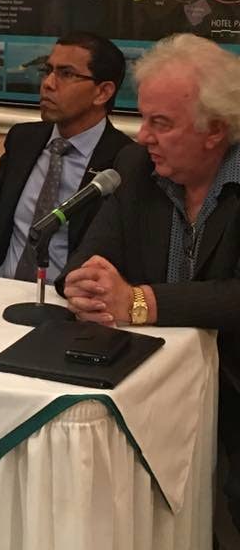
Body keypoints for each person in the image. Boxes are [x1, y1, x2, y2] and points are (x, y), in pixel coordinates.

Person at [57, 33, 240, 533]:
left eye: (161, 123)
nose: (142, 137)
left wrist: (139, 301)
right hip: (148, 388)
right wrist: (84, 285)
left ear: (215, 131)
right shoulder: (137, 167)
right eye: (143, 118)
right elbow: (88, 257)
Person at [0, 32, 131, 282]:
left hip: (67, 303)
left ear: (103, 92)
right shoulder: (23, 140)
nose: (48, 84)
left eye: (66, 74)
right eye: (48, 70)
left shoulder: (125, 160)